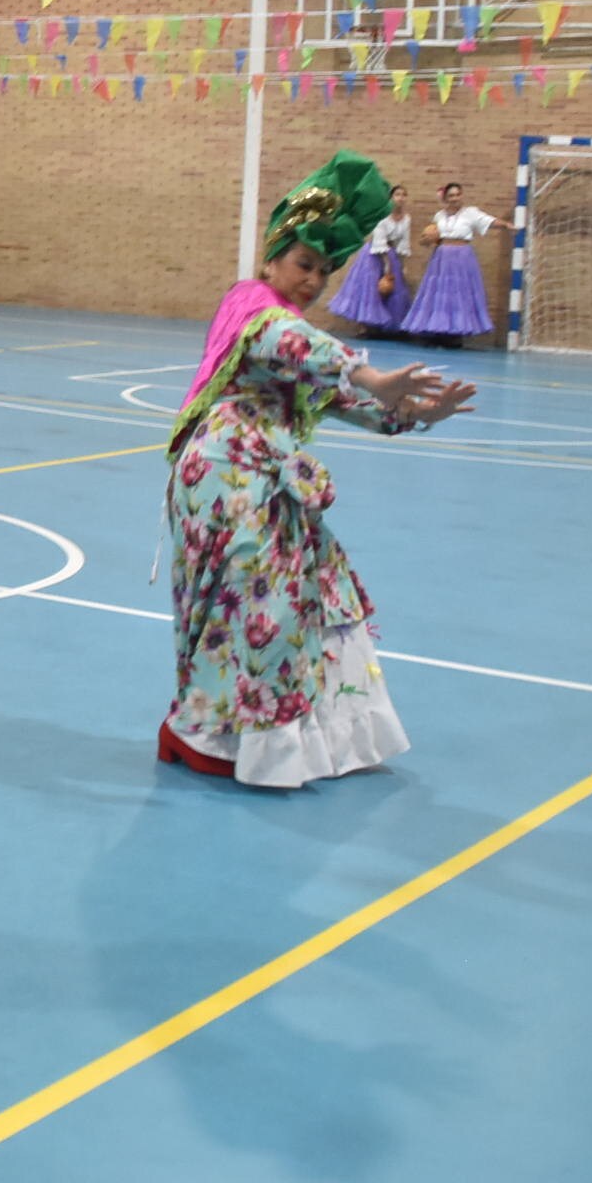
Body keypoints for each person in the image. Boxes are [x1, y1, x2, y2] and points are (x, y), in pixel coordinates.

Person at [159, 151, 477, 787]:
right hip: (224, 475)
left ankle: (238, 737)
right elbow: (295, 344)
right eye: (305, 264)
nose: (312, 280)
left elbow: (344, 399)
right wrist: (368, 372)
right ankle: (206, 733)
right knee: (254, 607)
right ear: (275, 255)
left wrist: (412, 412)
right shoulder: (250, 305)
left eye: (325, 273)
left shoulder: (297, 333)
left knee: (295, 602)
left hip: (268, 480)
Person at [400, 180, 499, 343]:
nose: (455, 198)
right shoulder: (439, 216)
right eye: (451, 195)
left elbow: (489, 221)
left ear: (462, 196)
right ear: (446, 198)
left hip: (462, 258)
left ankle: (456, 334)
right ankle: (438, 331)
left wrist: (507, 226)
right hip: (441, 259)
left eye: (457, 194)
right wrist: (426, 240)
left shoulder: (471, 213)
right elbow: (430, 238)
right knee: (439, 294)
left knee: (460, 294)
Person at [324, 181, 412, 337]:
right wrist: (386, 265)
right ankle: (365, 326)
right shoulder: (383, 215)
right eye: (397, 195)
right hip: (374, 254)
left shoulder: (406, 219)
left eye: (404, 195)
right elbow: (379, 238)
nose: (401, 198)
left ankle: (384, 327)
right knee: (370, 288)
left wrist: (402, 265)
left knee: (391, 288)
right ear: (391, 197)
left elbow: (403, 243)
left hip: (392, 254)